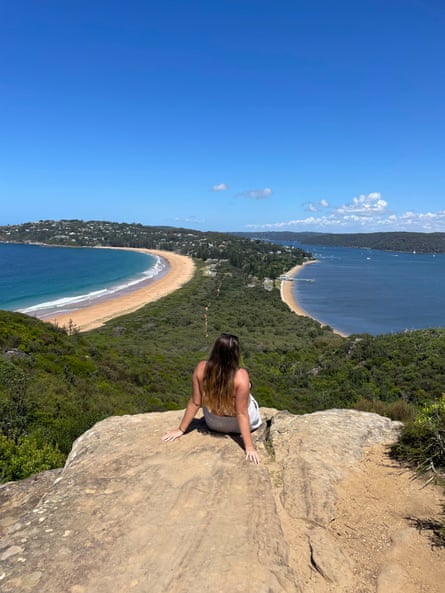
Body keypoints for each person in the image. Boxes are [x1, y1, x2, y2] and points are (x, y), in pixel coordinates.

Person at [162, 333, 262, 464]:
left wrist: (181, 429)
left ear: (215, 350)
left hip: (214, 424)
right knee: (247, 386)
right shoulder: (241, 375)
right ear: (235, 354)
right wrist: (249, 447)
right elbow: (242, 413)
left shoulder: (201, 368)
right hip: (241, 426)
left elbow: (195, 402)